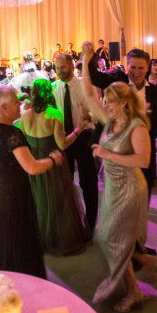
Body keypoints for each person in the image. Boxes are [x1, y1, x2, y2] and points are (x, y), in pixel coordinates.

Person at [81, 43, 152, 313]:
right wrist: (86, 62)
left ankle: (133, 291)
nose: (104, 105)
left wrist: (106, 155)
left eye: (109, 101)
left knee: (114, 239)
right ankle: (135, 272)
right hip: (111, 187)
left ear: (122, 102)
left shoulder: (137, 126)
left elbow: (142, 160)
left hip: (130, 188)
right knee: (105, 236)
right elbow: (88, 95)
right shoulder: (110, 121)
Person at [0, 85, 64, 277]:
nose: (20, 105)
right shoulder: (12, 134)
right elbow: (31, 167)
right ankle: (24, 283)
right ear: (4, 108)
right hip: (14, 198)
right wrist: (53, 160)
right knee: (19, 242)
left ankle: (3, 281)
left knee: (1, 241)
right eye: (16, 102)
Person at [17, 79, 87, 255]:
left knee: (38, 200)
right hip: (52, 163)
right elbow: (62, 144)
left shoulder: (25, 116)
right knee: (58, 201)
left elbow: (23, 142)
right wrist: (78, 129)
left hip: (33, 163)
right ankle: (59, 240)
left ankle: (41, 240)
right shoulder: (55, 114)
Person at [86, 47, 157, 192]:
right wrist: (88, 56)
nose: (136, 72)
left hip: (142, 150)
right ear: (127, 65)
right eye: (132, 67)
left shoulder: (156, 92)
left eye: (141, 67)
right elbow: (94, 77)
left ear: (147, 67)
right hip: (117, 148)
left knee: (144, 191)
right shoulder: (117, 81)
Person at [53, 53, 99, 234]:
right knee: (66, 180)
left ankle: (91, 223)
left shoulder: (84, 86)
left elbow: (97, 112)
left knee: (88, 181)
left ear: (71, 66)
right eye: (57, 68)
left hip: (84, 137)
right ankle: (70, 223)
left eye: (62, 67)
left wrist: (89, 116)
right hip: (64, 139)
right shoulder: (53, 87)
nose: (59, 71)